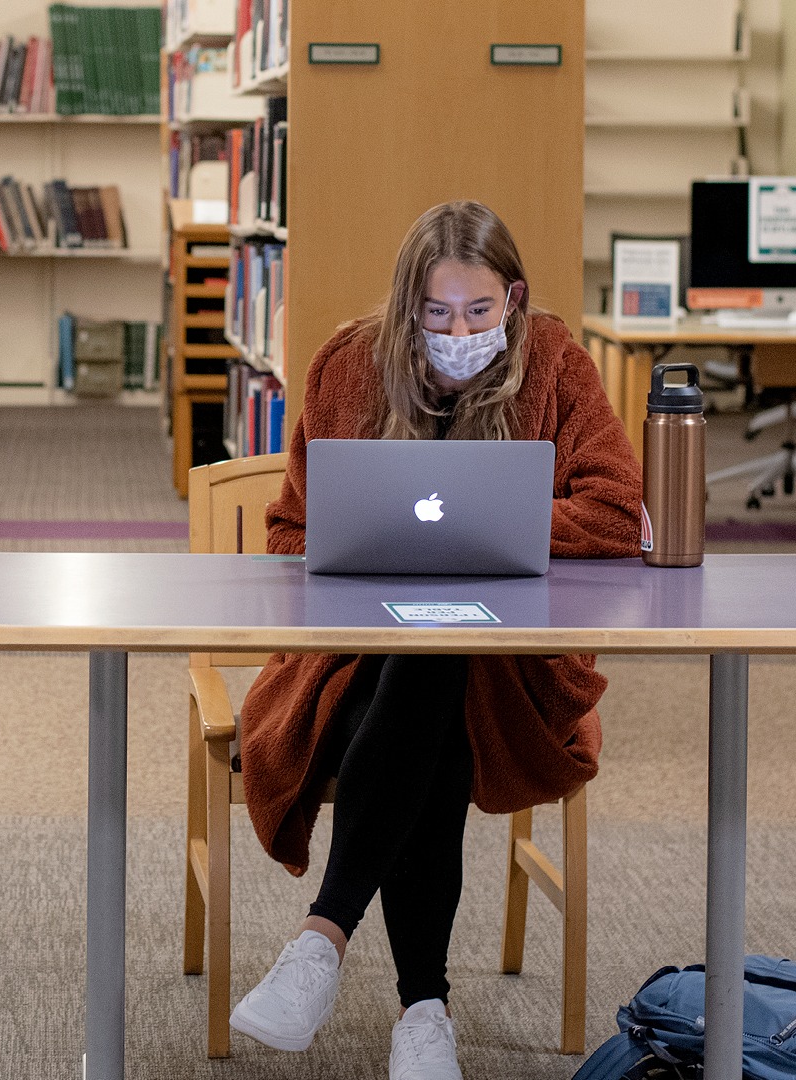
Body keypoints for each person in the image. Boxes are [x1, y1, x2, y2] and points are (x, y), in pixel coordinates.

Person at [226, 201, 641, 1078]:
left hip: (516, 676)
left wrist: (481, 534)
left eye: (479, 312)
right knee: (432, 692)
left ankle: (319, 943)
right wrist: (387, 564)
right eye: (436, 314)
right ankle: (424, 1015)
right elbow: (291, 532)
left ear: (514, 300)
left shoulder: (558, 364)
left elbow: (614, 511)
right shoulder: (348, 365)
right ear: (407, 304)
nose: (458, 333)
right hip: (352, 672)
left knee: (445, 671)